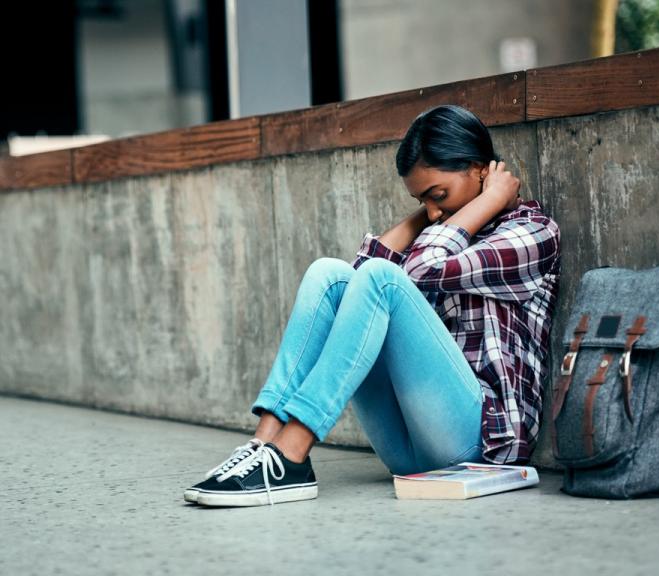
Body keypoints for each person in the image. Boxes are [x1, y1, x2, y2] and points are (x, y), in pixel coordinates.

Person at [183, 104, 561, 507]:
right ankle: (265, 444)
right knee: (328, 275)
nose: (433, 212)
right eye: (422, 201)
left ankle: (292, 454)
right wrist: (431, 212)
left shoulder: (530, 233)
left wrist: (487, 203)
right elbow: (352, 284)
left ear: (480, 170)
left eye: (438, 195)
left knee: (384, 278)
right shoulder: (442, 231)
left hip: (481, 448)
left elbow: (418, 268)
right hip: (408, 450)